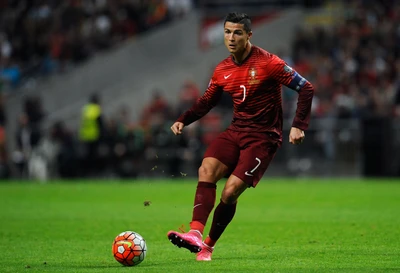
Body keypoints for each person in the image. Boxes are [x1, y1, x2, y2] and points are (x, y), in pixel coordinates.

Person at [167, 12, 314, 261]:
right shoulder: (222, 69)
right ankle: (195, 233)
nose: (231, 37)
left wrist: (298, 125)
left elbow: (306, 88)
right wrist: (184, 119)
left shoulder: (269, 63)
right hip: (236, 131)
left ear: (248, 35)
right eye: (227, 32)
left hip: (263, 138)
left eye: (237, 32)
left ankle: (208, 246)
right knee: (206, 169)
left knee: (230, 192)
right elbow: (206, 102)